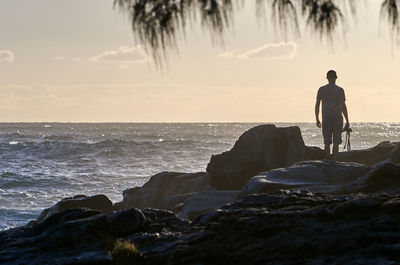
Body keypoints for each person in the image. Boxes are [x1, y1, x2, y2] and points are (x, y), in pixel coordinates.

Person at [315, 70, 350, 156]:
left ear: (327, 78)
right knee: (336, 142)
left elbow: (317, 105)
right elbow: (343, 106)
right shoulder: (340, 90)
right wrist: (347, 121)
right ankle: (334, 161)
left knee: (327, 143)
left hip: (326, 118)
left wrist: (317, 119)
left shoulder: (322, 89)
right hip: (337, 118)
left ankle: (327, 160)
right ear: (336, 78)